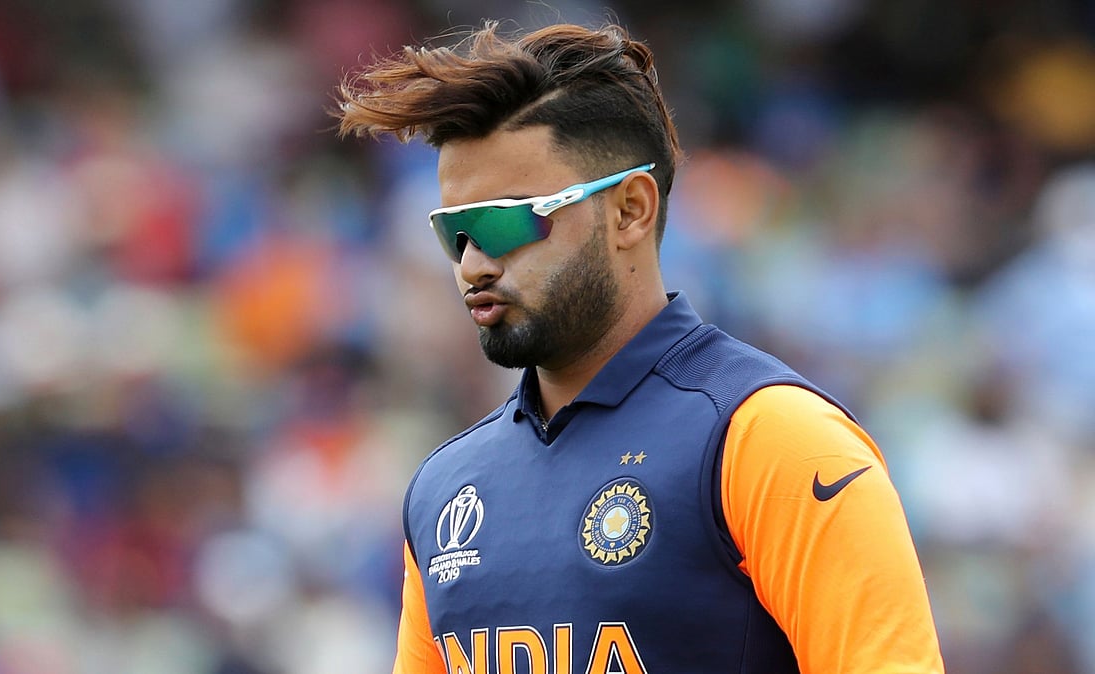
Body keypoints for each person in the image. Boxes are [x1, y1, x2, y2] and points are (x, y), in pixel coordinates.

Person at [336, 20, 944, 674]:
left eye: (505, 219)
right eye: (454, 231)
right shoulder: (444, 488)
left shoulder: (774, 438)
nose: (473, 263)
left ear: (629, 210)